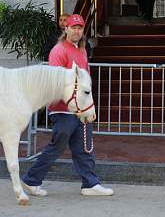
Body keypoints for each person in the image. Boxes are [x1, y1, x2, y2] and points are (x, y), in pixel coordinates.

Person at [21, 14, 113, 197]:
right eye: (74, 27)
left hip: (80, 109)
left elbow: (85, 81)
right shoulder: (58, 51)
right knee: (57, 147)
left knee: (85, 147)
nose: (77, 31)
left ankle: (90, 183)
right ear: (66, 29)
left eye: (80, 28)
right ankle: (31, 180)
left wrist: (88, 107)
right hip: (63, 110)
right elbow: (55, 83)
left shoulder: (82, 50)